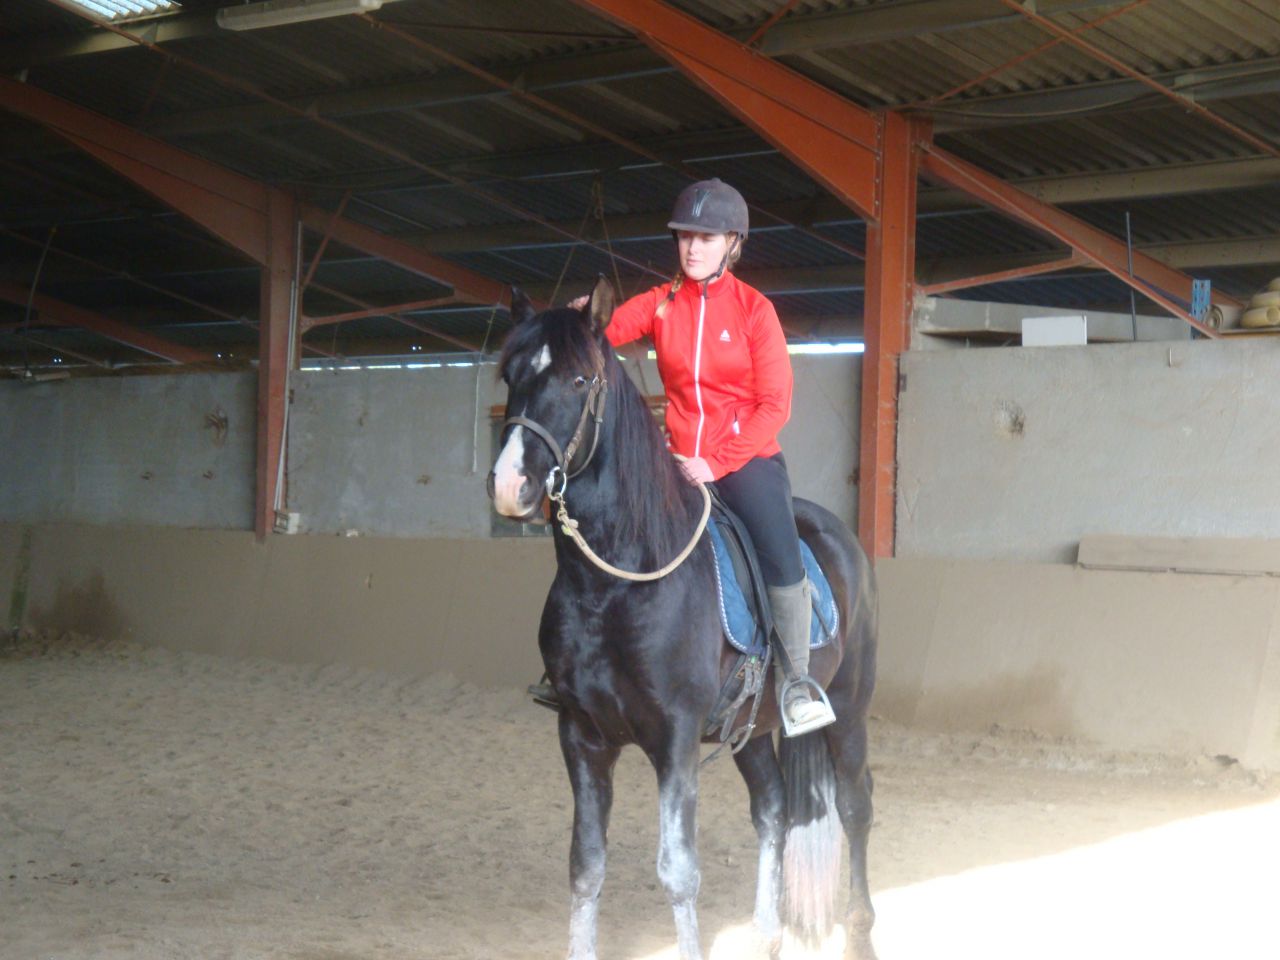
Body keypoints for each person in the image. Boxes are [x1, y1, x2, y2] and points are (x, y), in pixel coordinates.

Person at [532, 178, 835, 737]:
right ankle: (576, 667)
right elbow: (605, 330)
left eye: (707, 238)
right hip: (673, 461)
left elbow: (775, 406)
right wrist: (578, 320)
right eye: (685, 237)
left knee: (778, 549)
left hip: (744, 461)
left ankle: (796, 680)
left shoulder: (755, 311)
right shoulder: (661, 303)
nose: (693, 248)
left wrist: (716, 463)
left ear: (732, 243)